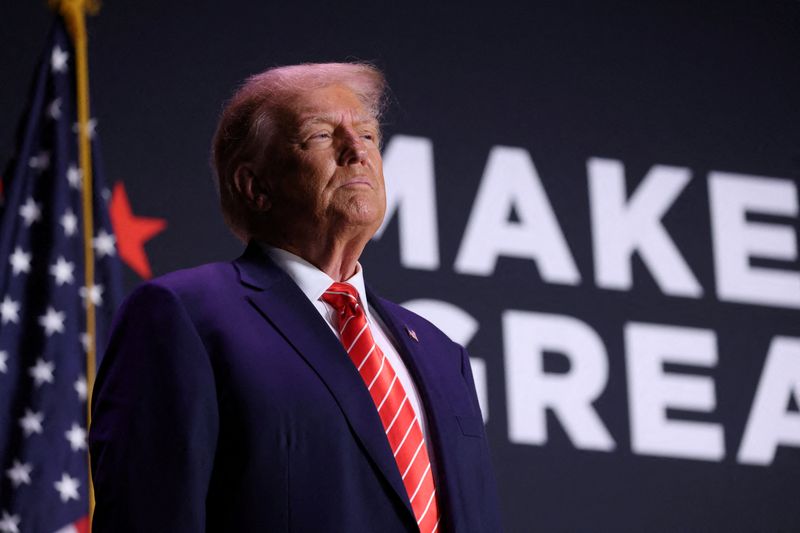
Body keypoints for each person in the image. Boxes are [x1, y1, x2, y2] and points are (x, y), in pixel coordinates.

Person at [89, 62, 502, 533]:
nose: (356, 152)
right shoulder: (186, 316)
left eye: (367, 136)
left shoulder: (440, 352)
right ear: (255, 185)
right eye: (322, 136)